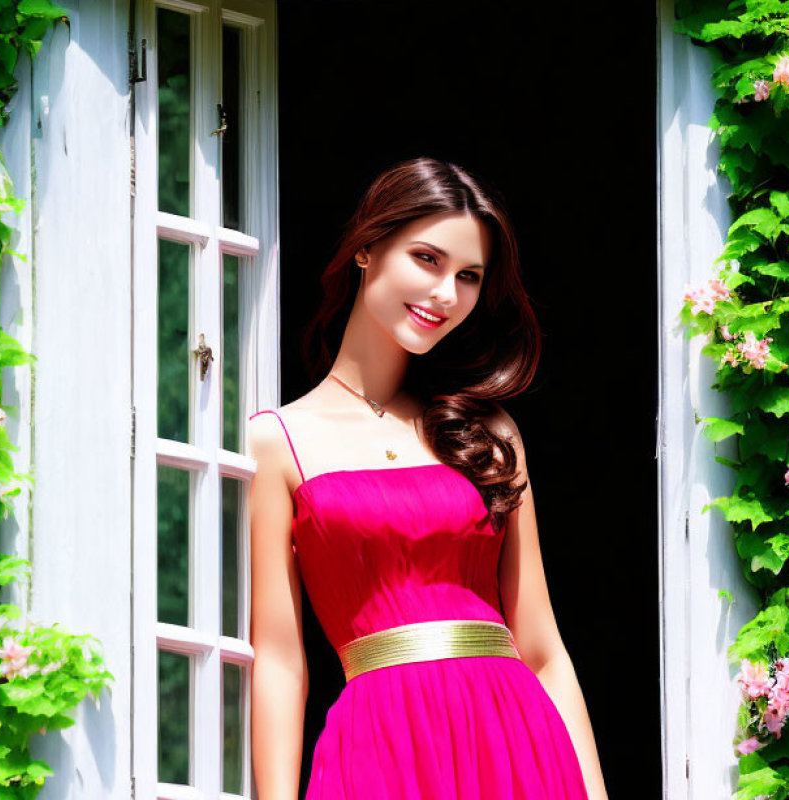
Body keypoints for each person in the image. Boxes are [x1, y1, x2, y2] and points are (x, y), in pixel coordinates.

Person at [247, 156, 608, 800]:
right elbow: (278, 659)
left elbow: (543, 649)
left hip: (516, 740)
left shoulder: (487, 432)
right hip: (378, 746)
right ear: (367, 249)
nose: (447, 294)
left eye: (469, 276)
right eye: (428, 259)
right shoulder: (275, 442)